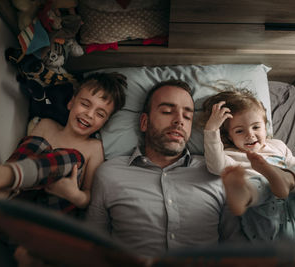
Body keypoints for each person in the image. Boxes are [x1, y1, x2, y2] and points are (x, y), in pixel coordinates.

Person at [0, 72, 127, 240]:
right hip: (12, 218)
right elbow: (24, 154)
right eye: (85, 104)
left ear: (105, 122)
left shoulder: (94, 148)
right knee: (38, 144)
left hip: (47, 224)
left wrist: (73, 195)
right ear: (71, 103)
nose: (89, 114)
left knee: (73, 158)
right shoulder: (46, 125)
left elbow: (89, 198)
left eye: (100, 114)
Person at [84, 79, 229, 257]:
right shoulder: (109, 174)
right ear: (144, 122)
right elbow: (92, 247)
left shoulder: (215, 173)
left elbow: (237, 244)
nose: (179, 121)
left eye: (187, 116)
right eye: (167, 111)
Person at [198, 88, 295, 243]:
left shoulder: (277, 146)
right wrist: (211, 130)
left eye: (256, 127)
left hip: (294, 208)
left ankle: (277, 180)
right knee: (258, 185)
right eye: (239, 131)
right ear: (229, 137)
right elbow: (215, 165)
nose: (250, 134)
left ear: (266, 127)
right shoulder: (231, 155)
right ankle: (259, 187)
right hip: (270, 218)